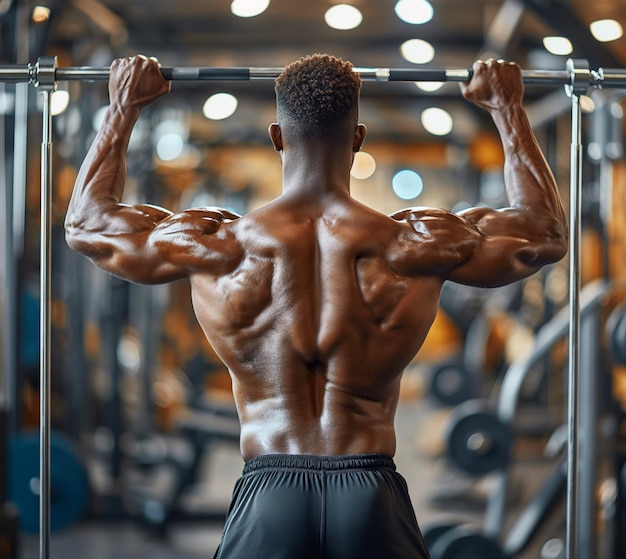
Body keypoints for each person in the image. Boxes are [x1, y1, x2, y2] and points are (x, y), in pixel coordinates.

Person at [65, 53, 568, 558]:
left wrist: (123, 107)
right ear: (358, 138)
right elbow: (543, 232)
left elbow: (87, 224)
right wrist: (507, 107)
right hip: (370, 490)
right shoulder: (415, 243)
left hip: (270, 490)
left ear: (277, 137)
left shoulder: (220, 245)